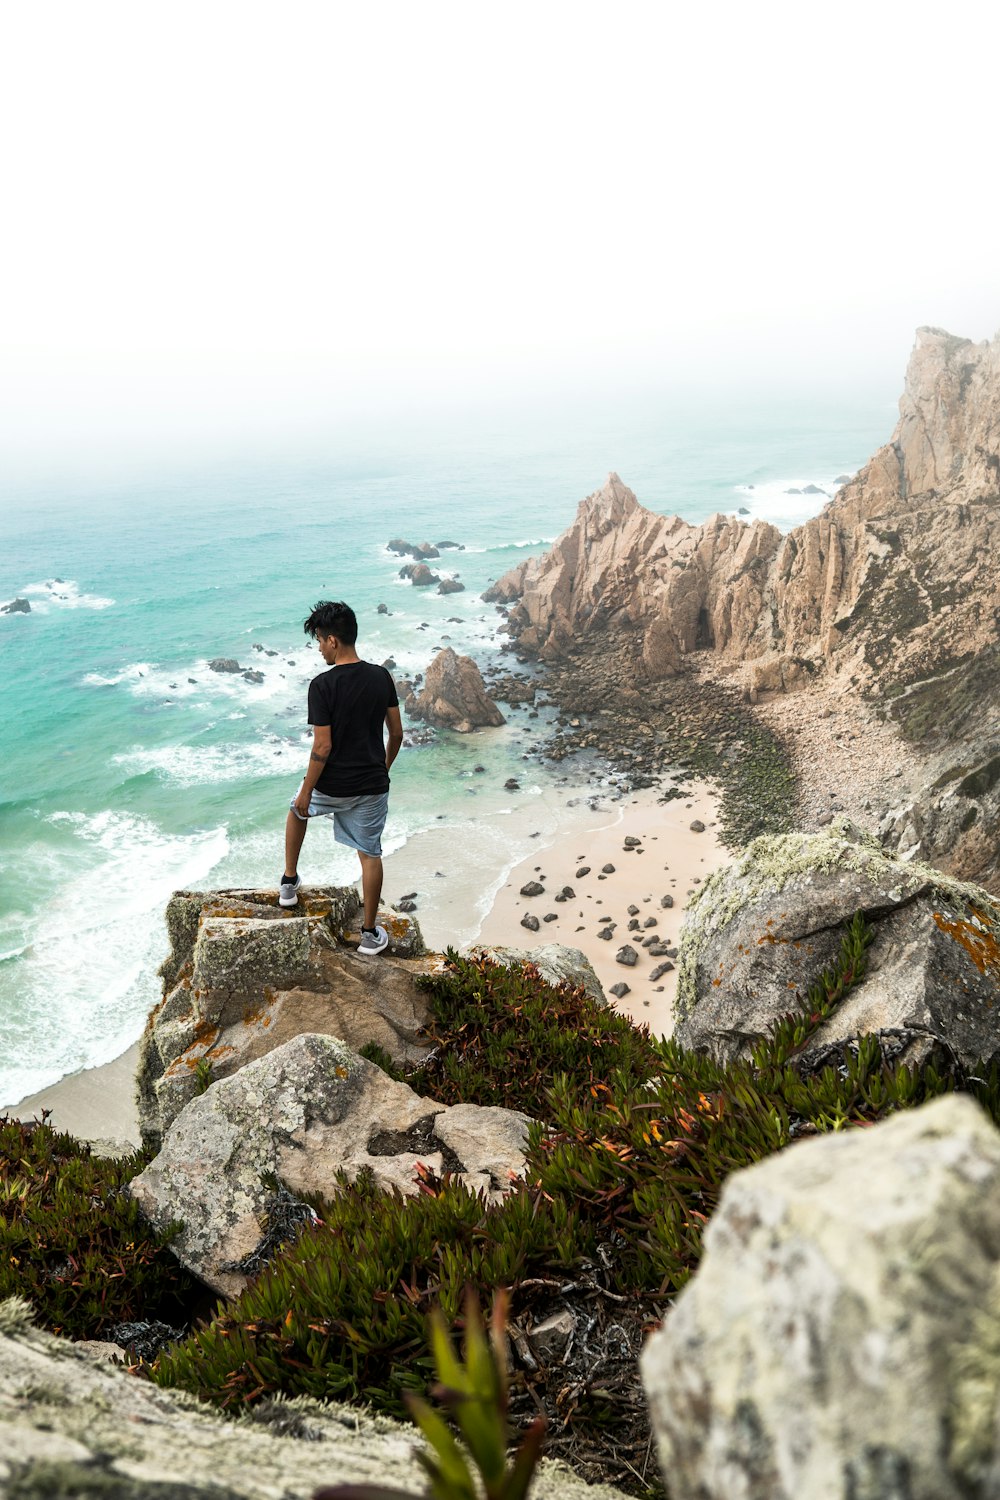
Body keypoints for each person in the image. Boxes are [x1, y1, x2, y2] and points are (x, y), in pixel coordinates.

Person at [279, 599, 403, 955]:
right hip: (371, 786)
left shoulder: (322, 685)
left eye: (319, 640)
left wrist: (307, 790)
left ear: (333, 640)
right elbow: (396, 734)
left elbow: (323, 746)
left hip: (331, 785)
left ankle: (288, 884)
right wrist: (384, 767)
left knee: (296, 810)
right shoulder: (381, 676)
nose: (318, 648)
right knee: (369, 854)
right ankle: (368, 935)